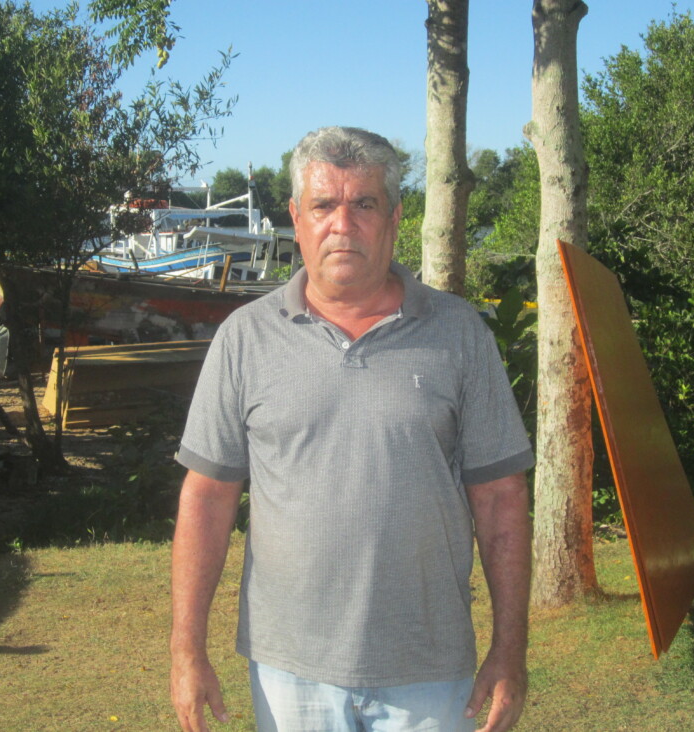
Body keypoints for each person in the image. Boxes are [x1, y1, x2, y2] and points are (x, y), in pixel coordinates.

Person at [170, 126, 534, 732]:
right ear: (295, 217)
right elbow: (206, 498)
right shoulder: (245, 338)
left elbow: (501, 498)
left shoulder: (460, 333)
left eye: (363, 203)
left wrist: (509, 650)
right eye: (323, 205)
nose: (343, 223)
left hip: (430, 666)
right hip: (290, 671)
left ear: (394, 217)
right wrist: (187, 651)